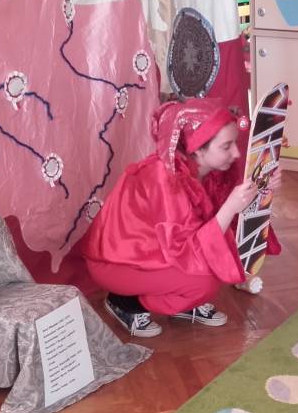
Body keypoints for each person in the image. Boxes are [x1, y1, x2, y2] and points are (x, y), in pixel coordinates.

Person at [82, 98, 281, 337]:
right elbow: (188, 249)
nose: (236, 153)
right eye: (226, 146)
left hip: (155, 253)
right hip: (116, 264)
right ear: (197, 148)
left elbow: (235, 231)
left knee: (215, 264)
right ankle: (125, 303)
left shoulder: (213, 171)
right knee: (205, 282)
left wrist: (262, 188)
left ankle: (179, 299)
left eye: (235, 144)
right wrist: (230, 207)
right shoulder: (165, 178)